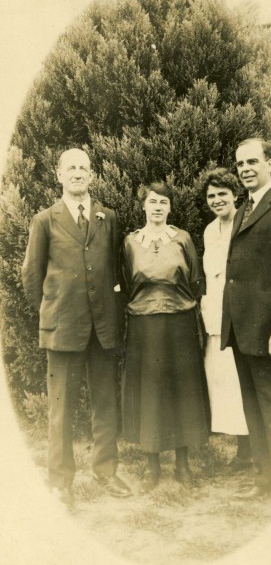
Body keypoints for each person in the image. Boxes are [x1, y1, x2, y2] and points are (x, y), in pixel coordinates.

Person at [22, 148, 131, 501]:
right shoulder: (45, 220)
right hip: (63, 329)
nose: (78, 173)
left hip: (102, 329)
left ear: (92, 175)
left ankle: (106, 472)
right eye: (71, 168)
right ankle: (60, 482)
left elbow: (114, 270)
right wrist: (53, 313)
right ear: (59, 175)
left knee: (105, 403)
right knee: (61, 409)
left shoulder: (107, 217)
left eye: (84, 167)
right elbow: (31, 276)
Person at [221, 137, 271, 501]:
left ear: (270, 164)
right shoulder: (243, 211)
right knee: (253, 408)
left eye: (253, 161)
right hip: (242, 332)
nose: (246, 170)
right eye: (240, 165)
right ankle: (264, 481)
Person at [121, 181, 210, 492]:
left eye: (163, 202)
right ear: (144, 206)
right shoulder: (130, 242)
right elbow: (125, 282)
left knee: (181, 390)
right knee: (151, 392)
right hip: (145, 326)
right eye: (152, 201)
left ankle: (182, 464)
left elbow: (196, 281)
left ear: (170, 208)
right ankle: (151, 467)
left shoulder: (183, 238)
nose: (157, 207)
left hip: (180, 323)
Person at [201, 168, 251, 470]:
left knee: (243, 380)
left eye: (222, 194)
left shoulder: (245, 224)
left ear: (235, 194)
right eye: (211, 196)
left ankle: (250, 449)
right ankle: (242, 449)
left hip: (240, 315)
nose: (217, 200)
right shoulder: (209, 231)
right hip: (215, 316)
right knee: (224, 383)